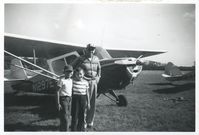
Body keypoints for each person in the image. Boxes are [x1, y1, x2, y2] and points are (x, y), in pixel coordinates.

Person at [72, 43, 101, 128]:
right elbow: (72, 67)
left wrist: (98, 78)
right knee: (84, 103)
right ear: (86, 49)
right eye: (90, 49)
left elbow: (99, 69)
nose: (91, 51)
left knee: (92, 103)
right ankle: (83, 121)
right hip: (85, 83)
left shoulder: (96, 59)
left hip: (94, 82)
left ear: (94, 50)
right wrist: (79, 78)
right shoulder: (80, 59)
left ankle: (90, 121)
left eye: (93, 49)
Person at [71, 67, 90, 131]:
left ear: (83, 74)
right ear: (75, 75)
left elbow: (87, 93)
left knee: (82, 115)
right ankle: (73, 130)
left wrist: (88, 102)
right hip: (75, 99)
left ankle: (81, 129)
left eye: (81, 74)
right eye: (77, 74)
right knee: (74, 115)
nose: (79, 76)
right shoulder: (72, 81)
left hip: (83, 99)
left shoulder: (86, 82)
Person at [56, 65, 73, 131]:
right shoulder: (61, 80)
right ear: (64, 72)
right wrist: (58, 103)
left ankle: (62, 129)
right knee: (65, 116)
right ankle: (66, 130)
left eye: (70, 72)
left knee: (68, 115)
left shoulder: (71, 80)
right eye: (67, 72)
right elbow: (57, 91)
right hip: (63, 99)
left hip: (69, 99)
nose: (69, 73)